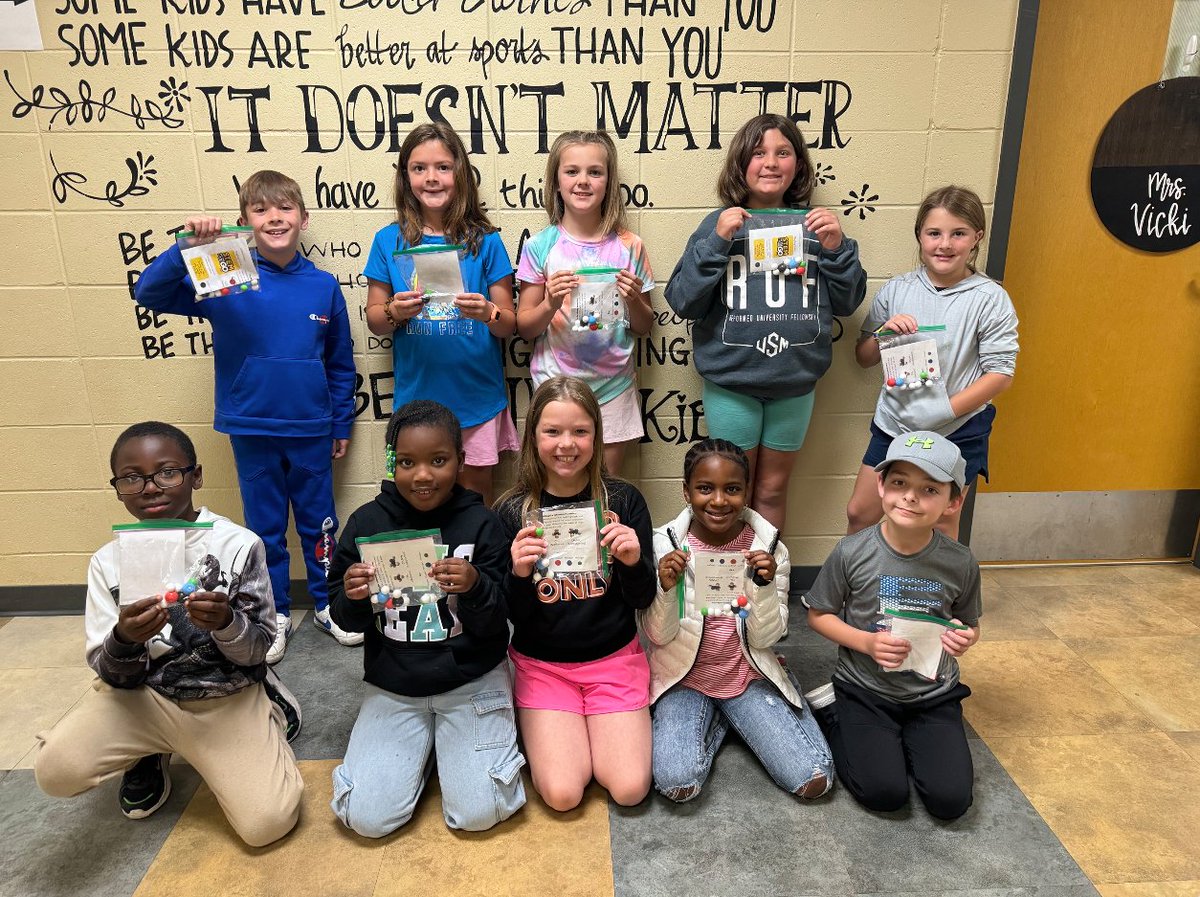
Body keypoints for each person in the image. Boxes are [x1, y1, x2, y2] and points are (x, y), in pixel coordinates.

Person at [34, 422, 304, 846]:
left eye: (167, 472)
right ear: (118, 488)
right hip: (142, 698)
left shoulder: (237, 545)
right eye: (131, 477)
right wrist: (124, 638)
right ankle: (147, 750)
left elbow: (260, 646)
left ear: (195, 476)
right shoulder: (107, 562)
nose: (150, 487)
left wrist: (227, 624)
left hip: (224, 696)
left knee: (266, 825)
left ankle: (268, 700)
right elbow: (110, 672)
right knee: (54, 772)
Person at [134, 170, 360, 664]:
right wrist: (186, 246)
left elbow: (341, 364)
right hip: (251, 427)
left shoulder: (323, 286)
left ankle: (327, 605)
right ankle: (273, 613)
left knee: (320, 525)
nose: (274, 218)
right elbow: (147, 293)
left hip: (310, 429)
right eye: (261, 210)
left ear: (303, 218)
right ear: (244, 222)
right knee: (263, 529)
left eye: (284, 209)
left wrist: (340, 423)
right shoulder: (225, 272)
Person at [327, 401, 525, 835]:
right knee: (366, 819)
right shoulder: (365, 523)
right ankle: (426, 748)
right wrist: (354, 595)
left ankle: (449, 747)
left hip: (471, 678)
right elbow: (344, 617)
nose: (422, 475)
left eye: (438, 461)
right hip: (395, 684)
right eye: (407, 462)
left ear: (461, 460)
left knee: (479, 812)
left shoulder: (481, 524)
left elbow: (498, 622)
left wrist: (475, 586)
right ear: (391, 462)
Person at [664, 113, 867, 532]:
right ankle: (727, 583)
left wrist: (836, 249)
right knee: (732, 489)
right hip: (732, 382)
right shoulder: (717, 223)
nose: (770, 162)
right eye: (758, 153)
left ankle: (768, 583)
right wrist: (718, 241)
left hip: (795, 382)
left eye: (783, 152)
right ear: (741, 163)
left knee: (772, 490)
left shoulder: (816, 226)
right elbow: (683, 300)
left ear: (798, 165)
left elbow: (848, 302)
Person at [640, 438, 833, 802]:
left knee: (814, 778)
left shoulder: (770, 549)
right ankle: (731, 721)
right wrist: (666, 589)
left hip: (746, 675)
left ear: (746, 492)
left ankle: (760, 702)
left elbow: (765, 638)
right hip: (683, 679)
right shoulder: (664, 546)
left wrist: (762, 585)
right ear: (686, 491)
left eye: (732, 489)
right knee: (677, 784)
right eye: (704, 488)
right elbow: (657, 636)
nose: (717, 500)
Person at [496, 376, 655, 812]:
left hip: (613, 664)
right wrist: (518, 572)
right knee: (564, 794)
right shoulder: (512, 511)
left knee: (629, 788)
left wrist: (632, 561)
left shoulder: (623, 500)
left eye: (580, 431)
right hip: (544, 667)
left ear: (597, 437)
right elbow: (508, 615)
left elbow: (643, 600)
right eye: (553, 431)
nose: (567, 444)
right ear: (534, 438)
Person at [804, 431, 982, 820]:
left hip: (931, 694)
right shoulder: (851, 551)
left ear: (955, 501)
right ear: (881, 484)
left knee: (950, 802)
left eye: (930, 489)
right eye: (899, 482)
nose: (910, 496)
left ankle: (906, 738)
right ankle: (834, 713)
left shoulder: (960, 561)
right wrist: (866, 643)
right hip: (864, 688)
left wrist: (964, 638)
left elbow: (969, 623)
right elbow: (818, 615)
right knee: (883, 793)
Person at [846, 185, 1019, 541]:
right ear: (920, 236)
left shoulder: (990, 299)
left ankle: (934, 597)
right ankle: (853, 591)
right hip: (895, 424)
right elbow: (862, 358)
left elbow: (1000, 375)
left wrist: (944, 410)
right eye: (934, 233)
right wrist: (883, 336)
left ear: (977, 238)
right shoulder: (897, 290)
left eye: (958, 234)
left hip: (958, 428)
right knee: (860, 513)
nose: (945, 244)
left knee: (939, 524)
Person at [363, 122, 518, 506]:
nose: (431, 178)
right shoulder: (387, 239)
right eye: (419, 168)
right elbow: (374, 318)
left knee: (475, 504)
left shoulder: (487, 239)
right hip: (416, 403)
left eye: (443, 167)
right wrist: (394, 310)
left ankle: (475, 568)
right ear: (405, 176)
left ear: (460, 173)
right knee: (418, 502)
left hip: (477, 400)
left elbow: (511, 324)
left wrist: (488, 312)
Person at [516, 130, 655, 473]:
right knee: (558, 495)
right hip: (556, 389)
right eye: (572, 171)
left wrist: (634, 299)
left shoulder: (630, 245)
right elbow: (524, 327)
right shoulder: (540, 246)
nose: (583, 181)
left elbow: (644, 325)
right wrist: (549, 303)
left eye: (595, 172)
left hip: (614, 389)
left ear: (609, 182)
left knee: (606, 491)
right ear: (556, 181)